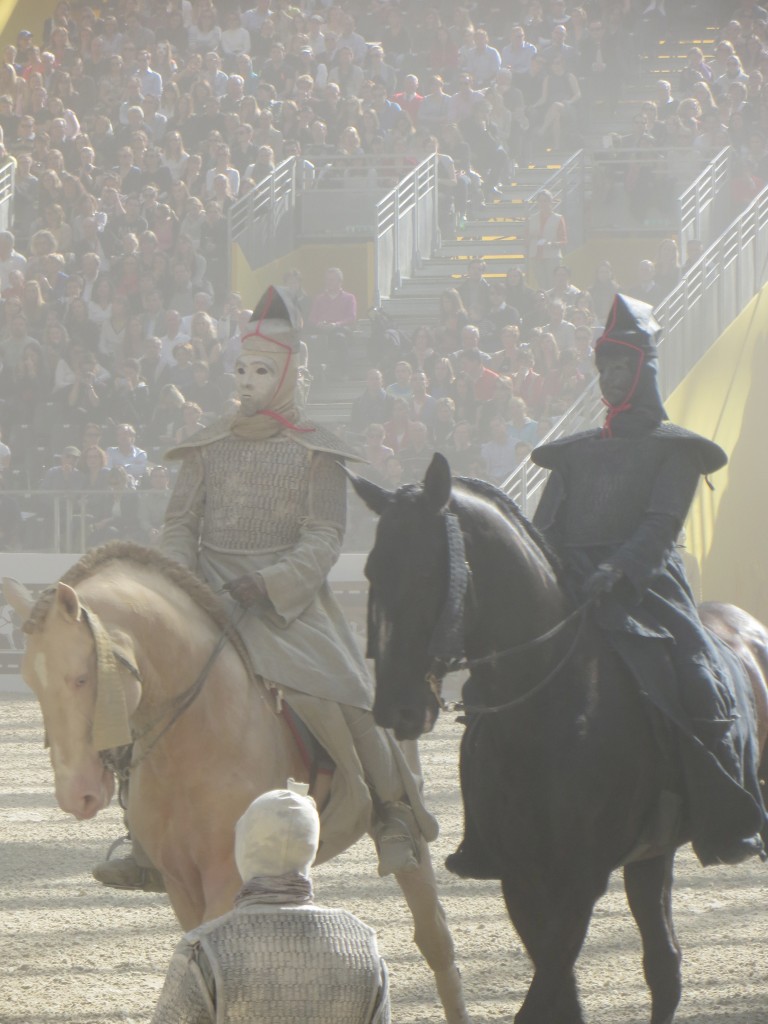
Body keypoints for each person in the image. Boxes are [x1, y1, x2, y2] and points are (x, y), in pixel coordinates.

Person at [93, 286, 436, 890]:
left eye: (260, 371)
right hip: (203, 590)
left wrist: (269, 583)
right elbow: (180, 526)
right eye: (242, 370)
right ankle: (140, 829)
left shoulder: (319, 453)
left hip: (286, 602)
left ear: (285, 373)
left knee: (348, 695)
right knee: (131, 684)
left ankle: (393, 813)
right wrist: (182, 581)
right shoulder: (207, 444)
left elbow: (324, 537)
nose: (247, 382)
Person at [531, 294, 767, 868]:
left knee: (697, 675)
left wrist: (620, 571)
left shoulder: (677, 451)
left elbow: (661, 526)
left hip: (650, 588)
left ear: (643, 370)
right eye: (603, 368)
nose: (609, 380)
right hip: (575, 588)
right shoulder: (572, 456)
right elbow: (542, 533)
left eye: (620, 367)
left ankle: (729, 812)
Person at [151, 785, 390, 1024]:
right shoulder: (362, 946)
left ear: (244, 848)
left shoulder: (204, 948)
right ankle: (395, 817)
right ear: (312, 851)